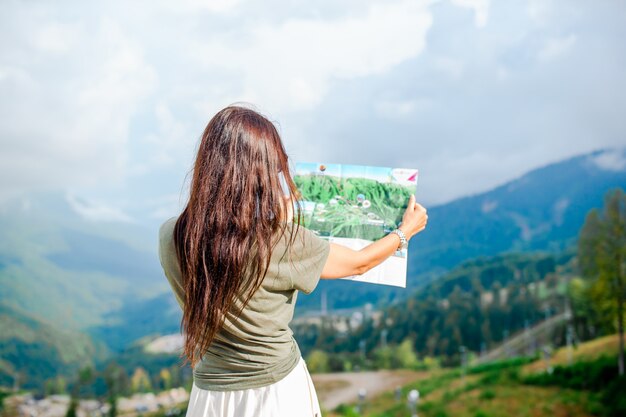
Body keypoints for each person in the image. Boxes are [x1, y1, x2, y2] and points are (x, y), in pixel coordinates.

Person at [158, 105, 428, 417]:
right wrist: (405, 231)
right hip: (275, 395)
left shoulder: (171, 236)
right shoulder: (281, 243)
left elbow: (228, 246)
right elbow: (359, 263)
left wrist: (278, 224)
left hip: (209, 397)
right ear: (255, 174)